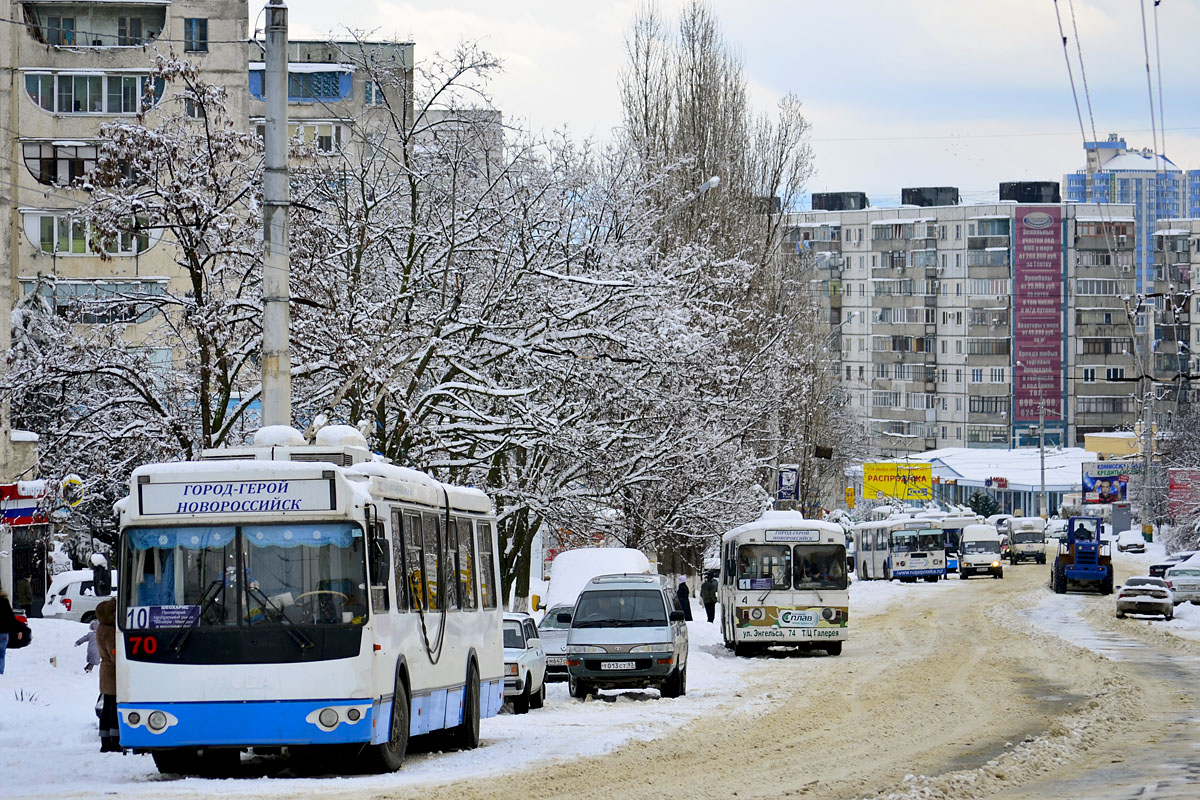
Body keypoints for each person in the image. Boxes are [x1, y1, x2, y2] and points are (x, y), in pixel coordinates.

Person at [95, 599, 121, 752]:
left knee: (107, 706)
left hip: (105, 671)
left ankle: (105, 740)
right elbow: (115, 653)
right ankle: (114, 740)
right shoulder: (110, 631)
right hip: (113, 671)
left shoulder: (100, 628)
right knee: (113, 707)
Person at [1, 589, 17, 675]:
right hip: (3, 632)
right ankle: (0, 673)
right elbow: (11, 617)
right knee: (2, 653)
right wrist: (16, 630)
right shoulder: (4, 602)